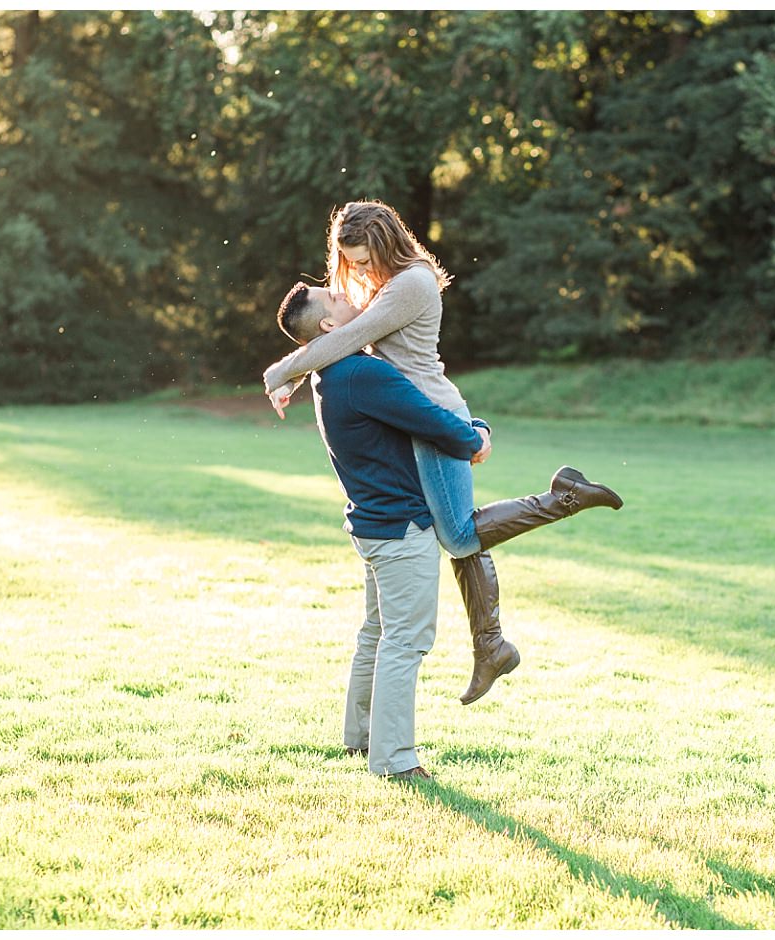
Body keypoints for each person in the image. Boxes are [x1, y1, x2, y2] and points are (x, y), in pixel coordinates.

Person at [263, 200, 623, 706]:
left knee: (458, 534)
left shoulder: (411, 283)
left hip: (433, 419)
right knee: (460, 533)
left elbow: (348, 338)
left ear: (384, 241)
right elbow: (338, 338)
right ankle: (491, 647)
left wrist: (282, 372)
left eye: (363, 260)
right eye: (352, 264)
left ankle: (564, 498)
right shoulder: (390, 283)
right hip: (418, 418)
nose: (357, 273)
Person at [275, 281, 490, 779]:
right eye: (336, 297)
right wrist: (475, 435)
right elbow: (429, 419)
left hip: (373, 524)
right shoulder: (362, 373)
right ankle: (393, 760)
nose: (347, 295)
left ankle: (360, 737)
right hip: (400, 526)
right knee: (407, 640)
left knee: (377, 633)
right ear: (330, 326)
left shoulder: (327, 373)